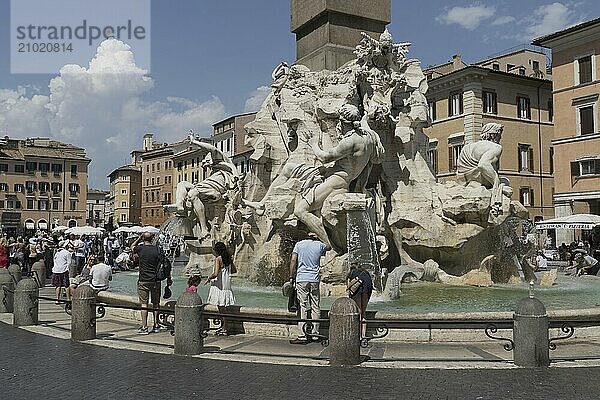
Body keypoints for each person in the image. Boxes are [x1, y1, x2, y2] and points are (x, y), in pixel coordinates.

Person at [289, 232, 331, 344]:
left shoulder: (299, 244)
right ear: (315, 237)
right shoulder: (319, 245)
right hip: (314, 279)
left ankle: (302, 336)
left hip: (301, 278)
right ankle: (315, 334)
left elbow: (293, 260)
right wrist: (319, 236)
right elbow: (329, 246)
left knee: (302, 306)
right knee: (315, 306)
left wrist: (291, 276)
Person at [131, 232, 172, 334]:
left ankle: (144, 327)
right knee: (156, 304)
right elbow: (165, 264)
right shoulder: (157, 249)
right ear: (152, 239)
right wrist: (168, 278)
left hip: (143, 280)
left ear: (143, 239)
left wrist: (139, 238)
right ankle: (156, 325)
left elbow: (132, 246)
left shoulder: (140, 249)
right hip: (155, 280)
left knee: (144, 304)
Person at [205, 242, 235, 336]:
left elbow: (215, 273)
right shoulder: (228, 258)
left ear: (217, 250)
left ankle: (224, 328)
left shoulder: (218, 259)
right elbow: (234, 270)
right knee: (223, 309)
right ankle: (223, 327)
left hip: (219, 285)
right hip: (226, 285)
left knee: (221, 309)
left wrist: (209, 278)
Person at [346, 262, 373, 339]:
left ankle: (357, 334)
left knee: (358, 312)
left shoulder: (352, 273)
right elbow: (370, 286)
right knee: (363, 312)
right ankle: (363, 335)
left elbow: (348, 286)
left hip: (357, 292)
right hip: (367, 291)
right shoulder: (366, 273)